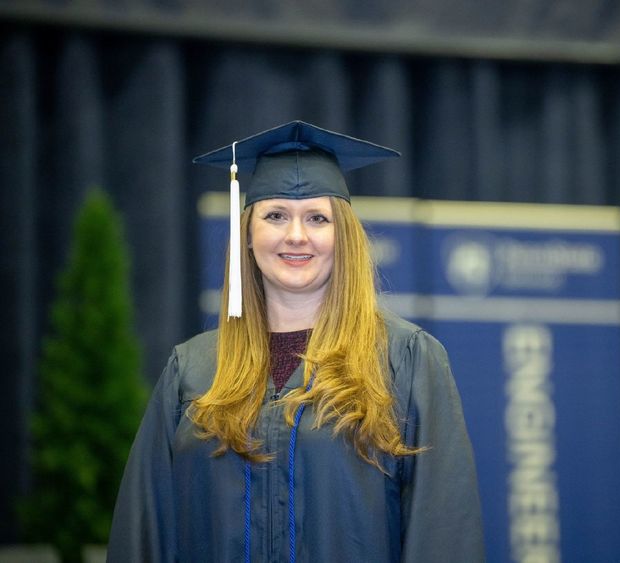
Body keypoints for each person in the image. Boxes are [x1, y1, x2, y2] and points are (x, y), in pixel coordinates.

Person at [106, 121, 485, 562]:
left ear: (343, 235)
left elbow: (443, 531)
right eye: (275, 215)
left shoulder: (405, 359)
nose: (296, 235)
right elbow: (144, 531)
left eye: (317, 218)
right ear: (247, 234)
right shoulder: (192, 369)